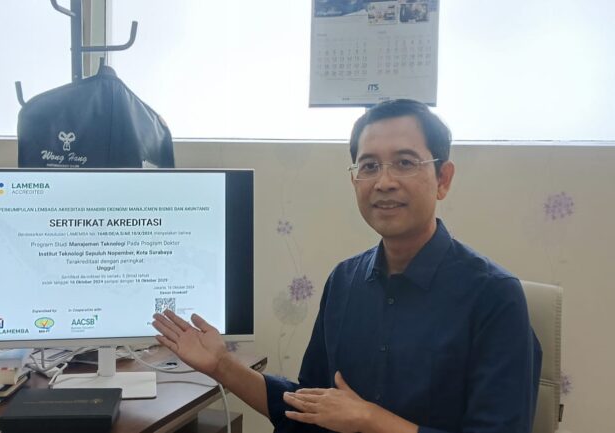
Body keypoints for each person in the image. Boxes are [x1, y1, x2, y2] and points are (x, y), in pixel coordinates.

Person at [152, 99, 542, 433]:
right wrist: (222, 365)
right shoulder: (345, 280)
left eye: (405, 162)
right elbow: (309, 408)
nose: (384, 182)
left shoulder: (494, 296)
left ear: (443, 178)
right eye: (368, 166)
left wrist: (369, 419)